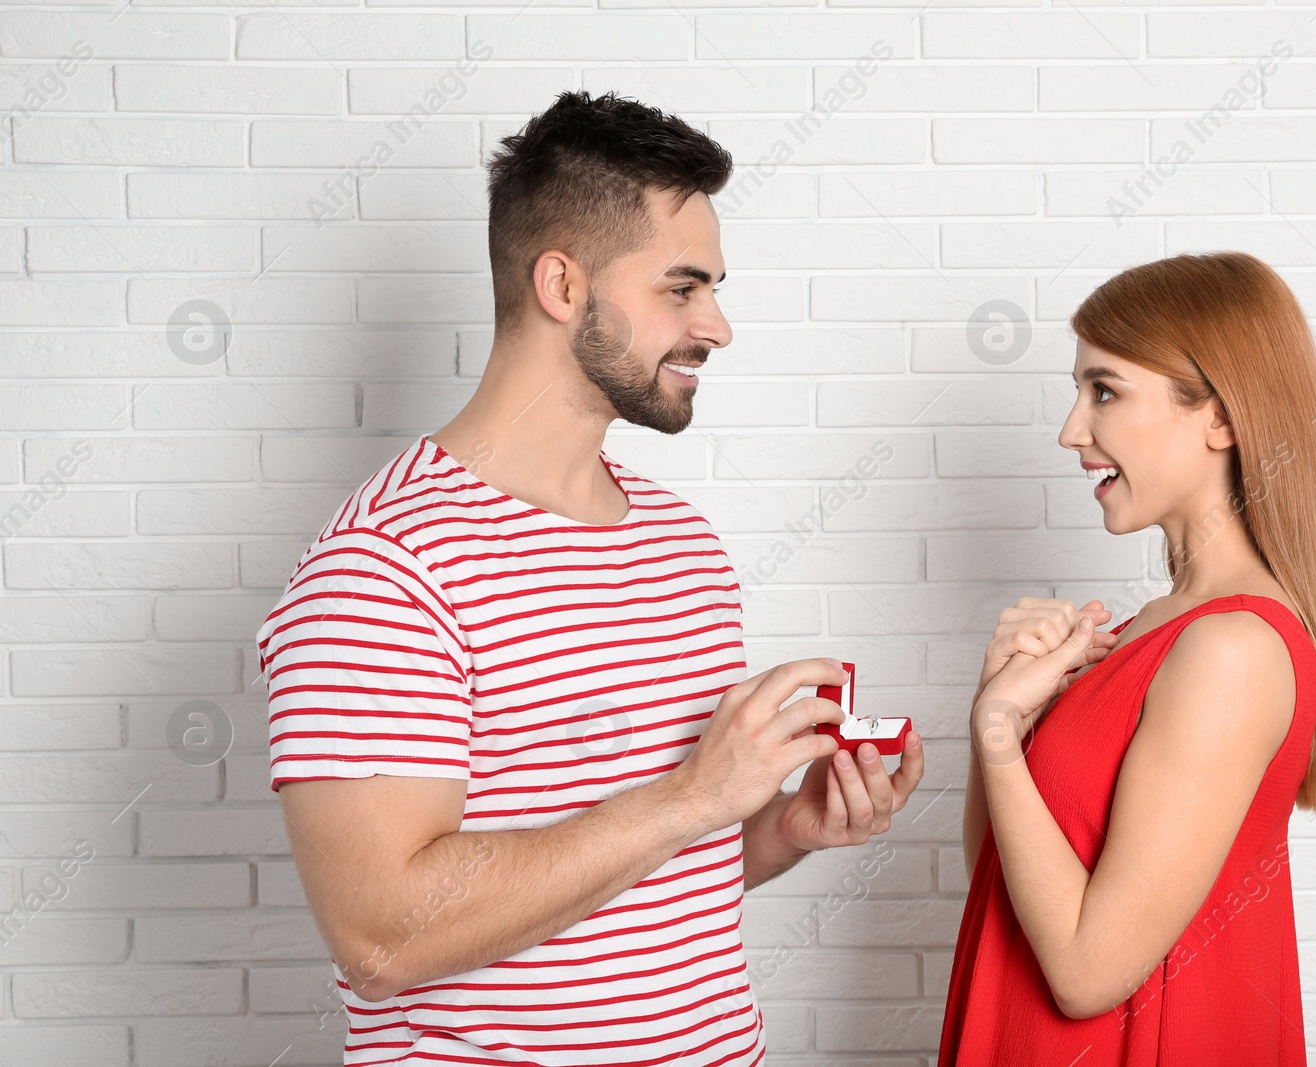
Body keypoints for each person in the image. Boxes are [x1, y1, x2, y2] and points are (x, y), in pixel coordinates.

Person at [256, 90, 924, 1066]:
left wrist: (783, 825)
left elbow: (638, 882)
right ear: (562, 286)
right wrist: (694, 796)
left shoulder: (681, 544)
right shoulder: (385, 567)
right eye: (682, 288)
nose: (718, 326)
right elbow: (383, 936)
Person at [939, 251, 1316, 1065]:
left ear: (1222, 418)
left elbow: (1088, 973)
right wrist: (999, 712)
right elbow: (998, 880)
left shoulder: (1231, 649)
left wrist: (997, 735)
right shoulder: (1147, 630)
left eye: (1105, 390)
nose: (1071, 430)